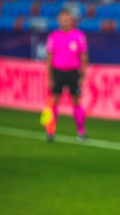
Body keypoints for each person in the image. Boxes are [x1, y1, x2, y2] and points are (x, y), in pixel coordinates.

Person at [45, 9, 88, 141]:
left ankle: (81, 131)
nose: (64, 21)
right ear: (59, 20)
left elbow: (84, 56)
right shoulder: (53, 36)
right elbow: (49, 57)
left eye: (67, 18)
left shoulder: (79, 36)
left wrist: (82, 75)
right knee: (54, 101)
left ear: (71, 20)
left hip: (73, 72)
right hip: (58, 72)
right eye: (62, 18)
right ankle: (50, 130)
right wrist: (49, 77)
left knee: (76, 101)